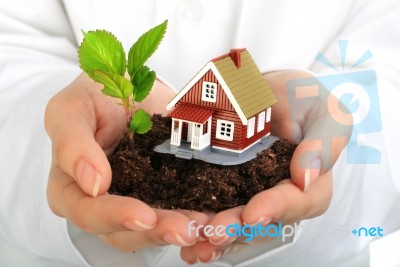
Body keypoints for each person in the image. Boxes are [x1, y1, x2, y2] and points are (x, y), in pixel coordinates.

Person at [0, 0, 399, 266]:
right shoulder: (186, 120)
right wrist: (64, 139)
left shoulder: (235, 109)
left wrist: (334, 160)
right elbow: (11, 46)